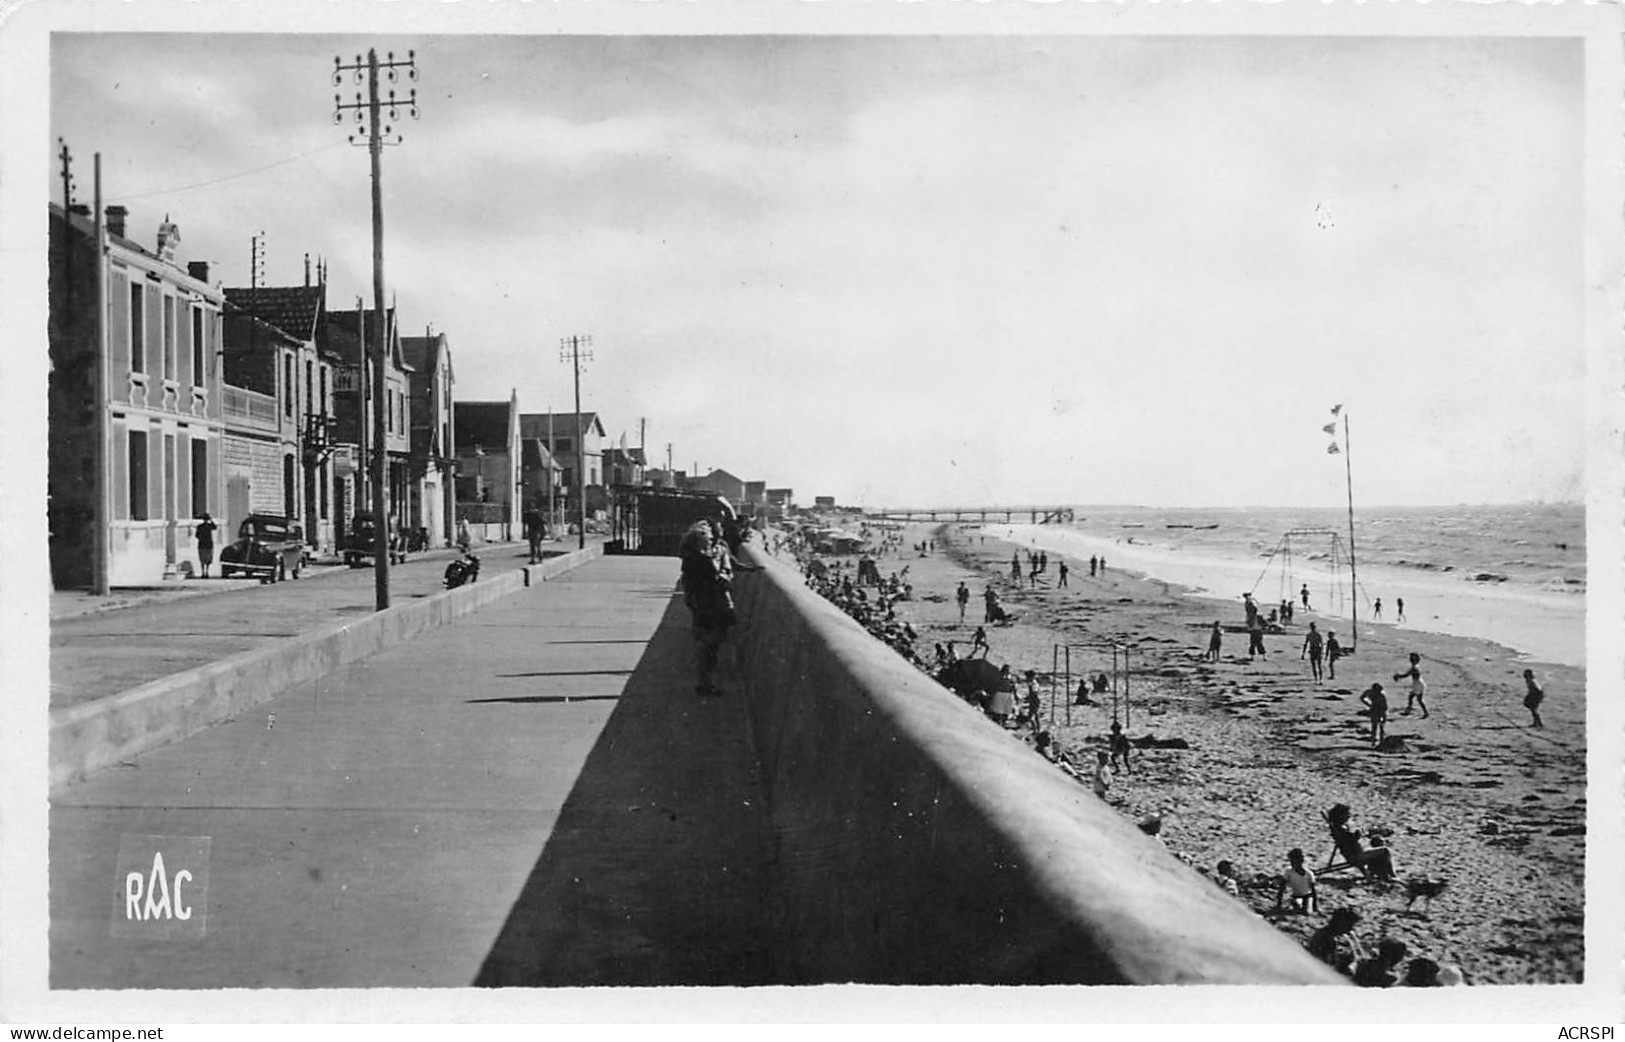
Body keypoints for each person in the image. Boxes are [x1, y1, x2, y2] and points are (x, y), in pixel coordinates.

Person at [678, 518, 758, 697]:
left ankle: (705, 679)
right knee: (710, 644)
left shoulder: (704, 554)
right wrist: (724, 576)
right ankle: (705, 682)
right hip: (713, 604)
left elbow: (730, 564)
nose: (721, 530)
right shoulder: (703, 559)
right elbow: (717, 577)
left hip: (705, 604)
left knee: (708, 642)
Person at [1326, 803, 1396, 879]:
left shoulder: (1339, 828)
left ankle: (1380, 872)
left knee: (1377, 841)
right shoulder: (1340, 830)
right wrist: (1359, 833)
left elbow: (1350, 839)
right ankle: (1392, 874)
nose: (1348, 816)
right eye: (1346, 814)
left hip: (1355, 854)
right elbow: (1350, 839)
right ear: (1339, 816)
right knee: (1385, 851)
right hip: (1356, 857)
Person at [1306, 907, 1364, 975]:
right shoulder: (1324, 936)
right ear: (1340, 922)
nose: (1351, 928)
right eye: (1349, 924)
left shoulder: (1346, 936)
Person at [1275, 848, 1317, 913]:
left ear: (1301, 861)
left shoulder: (1309, 874)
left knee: (1307, 910)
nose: (1292, 864)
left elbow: (1313, 891)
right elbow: (1282, 887)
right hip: (1296, 896)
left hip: (1306, 897)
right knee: (1297, 904)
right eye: (1291, 861)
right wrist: (1279, 902)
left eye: (1294, 861)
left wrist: (1314, 905)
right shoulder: (1289, 872)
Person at [1393, 652, 1429, 719]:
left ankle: (1425, 712)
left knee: (1418, 699)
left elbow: (1406, 675)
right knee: (1412, 697)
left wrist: (1398, 676)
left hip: (1417, 685)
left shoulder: (1414, 668)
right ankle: (1410, 710)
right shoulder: (1416, 666)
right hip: (1419, 684)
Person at [194, 512, 218, 578]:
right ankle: (206, 572)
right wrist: (211, 520)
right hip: (208, 544)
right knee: (208, 559)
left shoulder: (199, 526)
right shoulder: (209, 526)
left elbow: (196, 535)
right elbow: (215, 527)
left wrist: (200, 538)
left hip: (202, 544)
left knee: (202, 559)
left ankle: (203, 572)